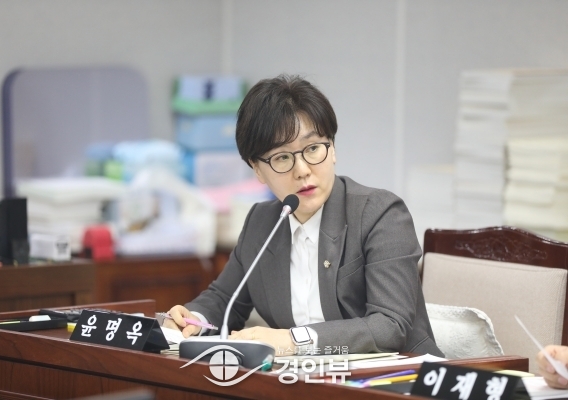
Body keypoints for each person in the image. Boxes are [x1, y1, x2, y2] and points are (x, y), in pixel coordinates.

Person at [163, 74, 443, 357]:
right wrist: (193, 319)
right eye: (282, 157)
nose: (302, 170)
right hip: (306, 377)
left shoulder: (380, 214)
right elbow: (225, 300)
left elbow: (390, 326)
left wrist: (293, 340)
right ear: (257, 169)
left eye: (313, 149)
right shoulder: (262, 223)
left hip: (399, 375)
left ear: (332, 149)